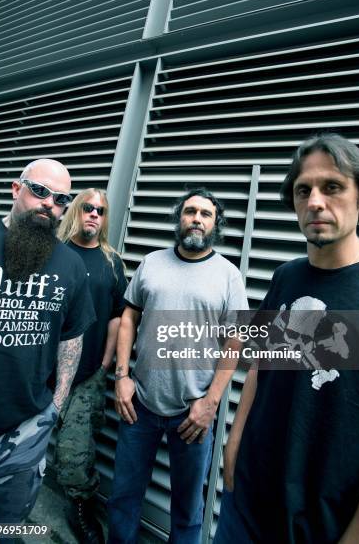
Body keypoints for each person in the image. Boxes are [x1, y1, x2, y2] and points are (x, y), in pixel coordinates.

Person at [213, 132, 359, 544]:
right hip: (247, 506)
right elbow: (263, 363)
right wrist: (235, 439)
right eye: (303, 190)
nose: (315, 201)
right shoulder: (286, 276)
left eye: (332, 187)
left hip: (328, 523)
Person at [108, 187, 249, 544]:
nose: (196, 219)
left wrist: (211, 403)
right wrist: (121, 377)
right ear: (179, 218)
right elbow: (129, 318)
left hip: (194, 412)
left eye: (205, 214)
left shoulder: (228, 274)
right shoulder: (152, 262)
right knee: (124, 495)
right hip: (139, 403)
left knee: (188, 510)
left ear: (215, 224)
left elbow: (235, 341)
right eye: (190, 212)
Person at [0, 159, 95, 536]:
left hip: (24, 432)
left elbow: (72, 337)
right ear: (17, 190)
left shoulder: (70, 265)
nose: (49, 203)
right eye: (40, 191)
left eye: (61, 198)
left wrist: (55, 407)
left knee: (5, 528)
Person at [54, 188, 127, 544]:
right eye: (87, 208)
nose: (94, 214)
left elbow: (118, 316)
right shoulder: (55, 253)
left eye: (100, 210)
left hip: (88, 373)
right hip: (44, 371)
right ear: (76, 211)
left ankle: (79, 506)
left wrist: (105, 363)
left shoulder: (112, 263)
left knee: (76, 448)